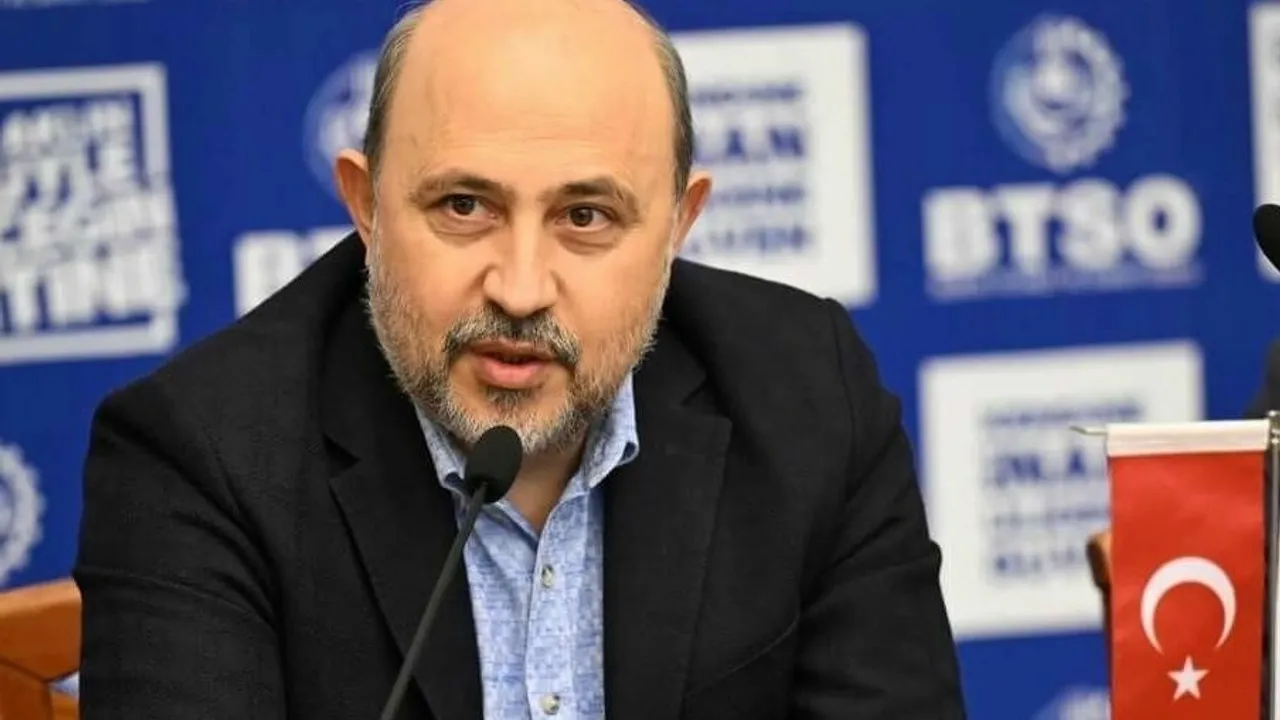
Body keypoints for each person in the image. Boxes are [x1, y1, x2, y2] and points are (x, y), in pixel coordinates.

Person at [73, 0, 965, 717]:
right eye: (464, 206)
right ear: (366, 206)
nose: (522, 287)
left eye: (586, 217)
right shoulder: (200, 455)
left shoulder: (811, 394)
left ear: (678, 226)